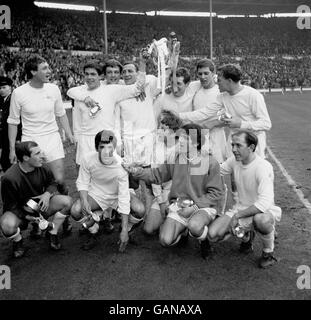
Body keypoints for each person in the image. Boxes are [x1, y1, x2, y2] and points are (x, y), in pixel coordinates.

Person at [123, 123, 224, 259]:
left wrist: (194, 207)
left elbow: (216, 193)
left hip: (202, 207)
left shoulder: (211, 162)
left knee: (194, 226)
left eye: (185, 138)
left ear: (196, 143)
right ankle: (183, 231)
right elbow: (156, 175)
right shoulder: (177, 158)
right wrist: (137, 172)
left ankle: (204, 241)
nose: (180, 141)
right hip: (180, 205)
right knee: (165, 240)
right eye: (180, 137)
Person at [208, 130, 282, 268]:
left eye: (238, 145)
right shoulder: (234, 161)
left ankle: (268, 252)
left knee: (261, 221)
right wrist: (203, 158)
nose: (234, 149)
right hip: (241, 208)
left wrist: (237, 216)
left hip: (263, 211)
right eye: (232, 145)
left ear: (251, 147)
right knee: (213, 235)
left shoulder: (262, 167)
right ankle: (247, 236)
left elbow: (264, 203)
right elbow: (217, 170)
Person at [8, 55, 75, 195]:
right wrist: (12, 149)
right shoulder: (18, 93)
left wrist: (69, 134)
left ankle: (64, 202)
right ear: (33, 72)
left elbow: (61, 114)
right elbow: (13, 122)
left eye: (48, 67)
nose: (49, 71)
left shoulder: (53, 89)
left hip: (52, 138)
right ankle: (38, 214)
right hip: (30, 141)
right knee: (34, 183)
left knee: (59, 179)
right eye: (44, 68)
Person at [70, 130, 144, 251]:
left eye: (110, 147)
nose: (106, 151)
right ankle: (94, 230)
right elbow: (82, 181)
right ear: (96, 148)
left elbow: (124, 197)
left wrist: (124, 229)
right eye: (102, 147)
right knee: (76, 210)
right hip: (97, 194)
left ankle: (128, 230)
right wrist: (84, 200)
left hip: (117, 196)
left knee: (140, 210)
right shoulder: (87, 159)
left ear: (114, 147)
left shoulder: (121, 165)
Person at [0, 141, 73, 258]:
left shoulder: (42, 166)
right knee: (6, 224)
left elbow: (53, 182)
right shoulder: (9, 178)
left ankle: (52, 232)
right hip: (20, 211)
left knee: (67, 202)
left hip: (40, 205)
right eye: (37, 153)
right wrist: (25, 216)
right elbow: (10, 206)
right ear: (26, 158)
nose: (42, 156)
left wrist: (47, 194)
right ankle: (18, 241)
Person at [178, 59, 227, 164]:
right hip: (196, 137)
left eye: (206, 73)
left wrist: (214, 123)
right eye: (200, 74)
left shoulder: (221, 91)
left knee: (217, 173)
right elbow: (179, 86)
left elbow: (230, 116)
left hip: (215, 137)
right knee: (196, 174)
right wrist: (170, 88)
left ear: (213, 73)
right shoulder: (195, 86)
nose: (203, 77)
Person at [142, 110, 182, 235]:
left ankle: (182, 228)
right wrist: (161, 202)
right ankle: (165, 219)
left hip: (179, 194)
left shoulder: (182, 148)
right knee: (148, 229)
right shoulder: (158, 146)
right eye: (159, 127)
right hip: (163, 193)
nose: (159, 130)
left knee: (167, 235)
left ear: (173, 130)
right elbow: (155, 177)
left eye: (163, 128)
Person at [0, 76, 22, 173]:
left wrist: (17, 139)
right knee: (5, 164)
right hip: (4, 139)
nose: (1, 90)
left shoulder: (14, 100)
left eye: (4, 87)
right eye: (0, 88)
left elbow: (18, 121)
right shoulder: (2, 101)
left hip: (13, 139)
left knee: (12, 165)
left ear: (10, 87)